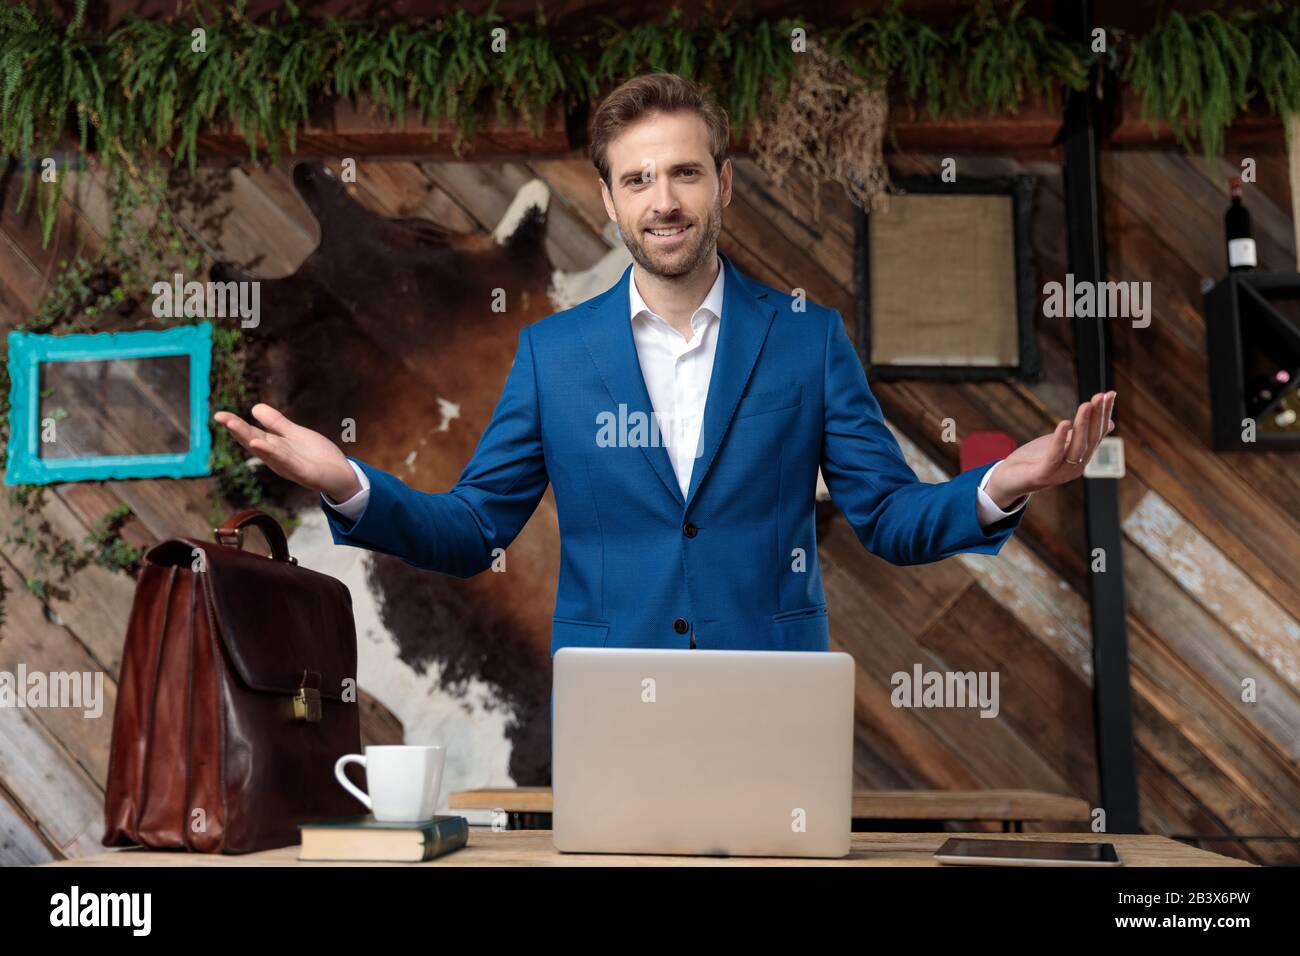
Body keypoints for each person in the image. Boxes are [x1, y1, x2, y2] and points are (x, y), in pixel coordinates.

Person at [215, 72, 1116, 654]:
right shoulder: (553, 356)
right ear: (608, 201)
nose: (665, 201)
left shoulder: (808, 339)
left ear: (722, 185)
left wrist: (1002, 484)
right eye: (639, 180)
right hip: (614, 708)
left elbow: (887, 518)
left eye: (685, 174)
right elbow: (471, 529)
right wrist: (348, 485)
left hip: (771, 702)